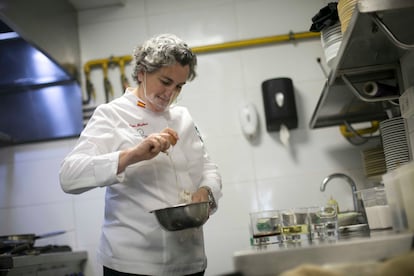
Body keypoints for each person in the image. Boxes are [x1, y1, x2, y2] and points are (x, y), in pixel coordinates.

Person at [59, 33, 222, 276]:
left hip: (190, 261)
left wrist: (206, 192)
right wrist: (131, 156)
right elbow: (69, 176)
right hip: (132, 265)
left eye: (178, 86)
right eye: (165, 82)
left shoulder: (182, 118)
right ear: (141, 73)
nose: (171, 94)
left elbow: (207, 169)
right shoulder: (111, 115)